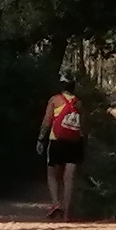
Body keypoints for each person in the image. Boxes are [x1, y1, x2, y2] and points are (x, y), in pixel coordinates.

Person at [39, 79, 89, 220]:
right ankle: (67, 213)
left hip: (57, 141)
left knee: (51, 174)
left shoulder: (55, 100)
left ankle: (56, 203)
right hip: (75, 142)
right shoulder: (79, 103)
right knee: (69, 178)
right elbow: (84, 125)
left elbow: (47, 121)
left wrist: (41, 139)